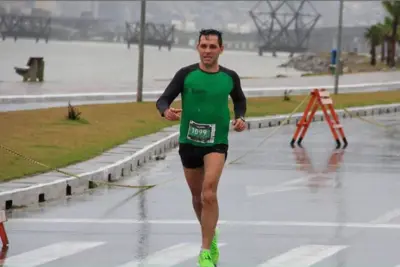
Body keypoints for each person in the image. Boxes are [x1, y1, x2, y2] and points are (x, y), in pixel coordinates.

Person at [155, 28, 247, 267]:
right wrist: (166, 111)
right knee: (197, 197)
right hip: (189, 141)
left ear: (221, 49)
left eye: (212, 47)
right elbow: (163, 99)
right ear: (198, 48)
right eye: (203, 46)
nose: (207, 51)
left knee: (209, 192)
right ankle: (211, 235)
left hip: (216, 143)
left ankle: (205, 251)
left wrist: (240, 117)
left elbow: (239, 100)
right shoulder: (186, 75)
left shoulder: (229, 77)